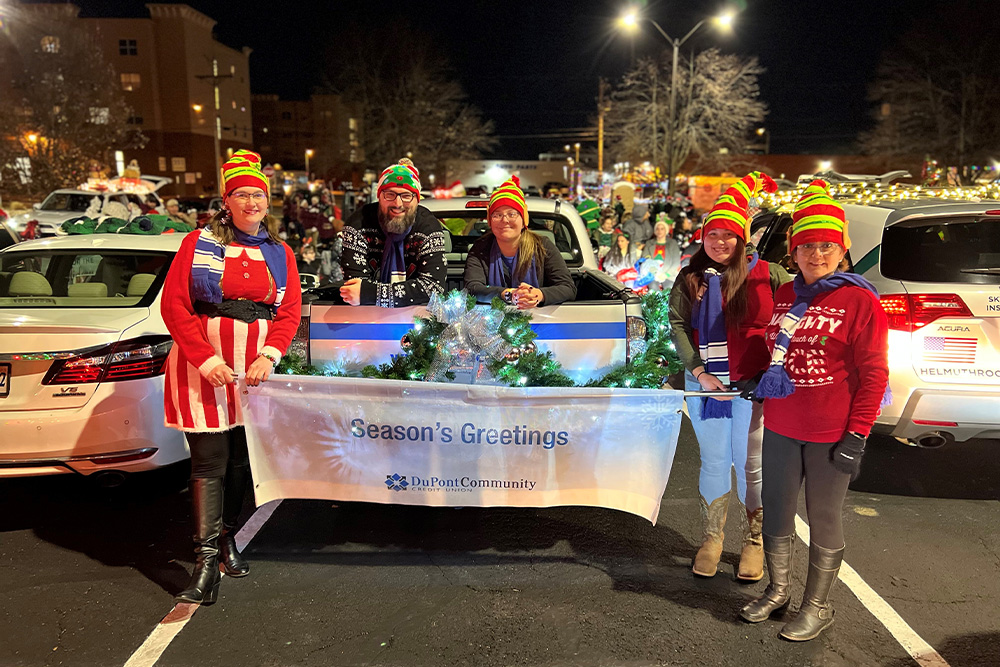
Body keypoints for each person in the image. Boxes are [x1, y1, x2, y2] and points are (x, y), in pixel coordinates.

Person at [740, 180, 889, 641]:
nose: (816, 255)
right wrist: (757, 377)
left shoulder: (859, 299)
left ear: (842, 249)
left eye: (826, 246)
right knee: (779, 511)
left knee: (823, 518)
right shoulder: (786, 297)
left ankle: (818, 606)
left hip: (831, 432)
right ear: (794, 251)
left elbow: (875, 373)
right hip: (783, 425)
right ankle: (778, 589)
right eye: (807, 246)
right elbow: (774, 352)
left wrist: (858, 434)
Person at [160, 150, 301, 606]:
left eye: (258, 194)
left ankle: (226, 540)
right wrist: (205, 359)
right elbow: (176, 307)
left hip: (253, 374)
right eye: (242, 194)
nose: (252, 202)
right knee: (208, 463)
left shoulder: (279, 252)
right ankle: (204, 564)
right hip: (205, 371)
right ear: (228, 200)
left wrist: (270, 354)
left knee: (241, 463)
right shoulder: (196, 244)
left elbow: (289, 310)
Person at [668, 171, 790, 583]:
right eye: (712, 234)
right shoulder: (690, 277)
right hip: (706, 386)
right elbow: (678, 327)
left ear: (743, 237)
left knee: (750, 465)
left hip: (752, 386)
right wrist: (700, 373)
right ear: (703, 236)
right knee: (715, 461)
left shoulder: (769, 274)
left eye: (729, 235)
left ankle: (753, 541)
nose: (720, 242)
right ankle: (712, 538)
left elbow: (790, 320)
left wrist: (772, 370)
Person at [339, 158, 446, 307]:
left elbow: (434, 288)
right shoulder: (358, 225)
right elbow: (353, 288)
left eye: (407, 195)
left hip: (418, 320)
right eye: (390, 194)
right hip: (365, 319)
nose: (398, 204)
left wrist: (370, 293)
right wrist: (410, 293)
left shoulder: (428, 226)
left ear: (418, 199)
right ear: (379, 196)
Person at [464, 175, 576, 309]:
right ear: (490, 221)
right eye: (497, 215)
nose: (505, 220)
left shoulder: (542, 246)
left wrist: (537, 295)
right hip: (489, 324)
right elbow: (472, 289)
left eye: (512, 214)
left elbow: (568, 288)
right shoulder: (480, 248)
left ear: (524, 220)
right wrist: (508, 295)